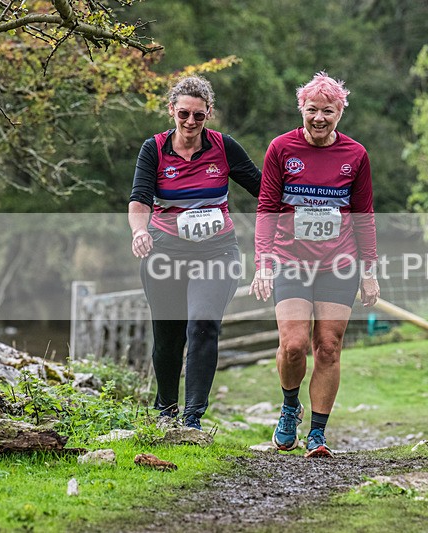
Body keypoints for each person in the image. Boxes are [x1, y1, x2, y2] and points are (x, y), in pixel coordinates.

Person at [249, 71, 379, 458]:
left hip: (339, 264)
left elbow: (364, 215)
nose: (319, 118)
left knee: (328, 347)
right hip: (290, 261)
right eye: (312, 110)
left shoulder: (355, 155)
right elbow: (267, 208)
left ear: (340, 112)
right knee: (293, 345)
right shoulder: (281, 149)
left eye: (328, 111)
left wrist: (369, 272)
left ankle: (318, 434)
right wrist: (263, 264)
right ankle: (290, 407)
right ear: (301, 110)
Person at [129, 75, 261, 430]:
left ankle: (192, 418)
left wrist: (306, 203)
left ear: (209, 114)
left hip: (216, 252)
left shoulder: (223, 147)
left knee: (203, 324)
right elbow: (140, 198)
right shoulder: (154, 149)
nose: (190, 122)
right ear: (171, 110)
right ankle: (166, 410)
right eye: (183, 113)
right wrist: (140, 230)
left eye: (198, 116)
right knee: (168, 336)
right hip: (166, 251)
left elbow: (263, 188)